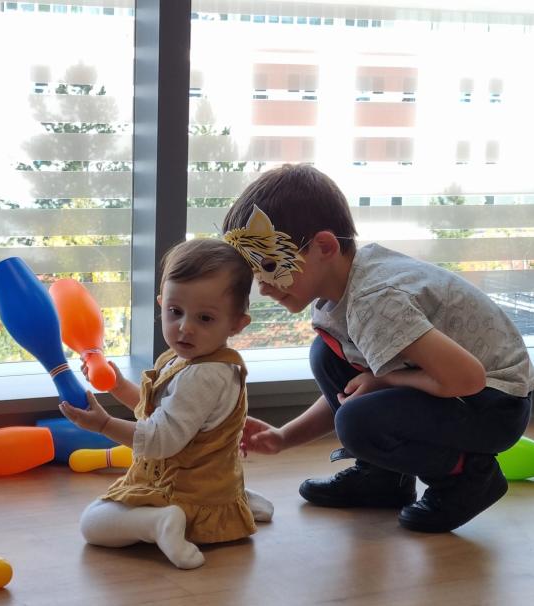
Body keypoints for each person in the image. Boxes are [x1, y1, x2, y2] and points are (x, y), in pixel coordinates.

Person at [222, 163, 534, 533]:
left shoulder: (375, 301)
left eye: (270, 266)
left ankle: (468, 477)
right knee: (326, 355)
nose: (263, 287)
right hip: (464, 391)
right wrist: (283, 437)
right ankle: (383, 479)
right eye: (254, 274)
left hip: (491, 406)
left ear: (324, 246)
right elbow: (351, 390)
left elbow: (467, 379)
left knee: (356, 421)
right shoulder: (343, 293)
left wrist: (385, 382)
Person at [59, 239, 273, 569]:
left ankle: (159, 523)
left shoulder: (202, 376)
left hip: (180, 488)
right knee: (210, 479)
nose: (185, 327)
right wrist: (118, 386)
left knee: (92, 523)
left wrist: (103, 425)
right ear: (161, 304)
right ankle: (234, 502)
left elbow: (159, 441)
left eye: (204, 318)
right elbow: (157, 414)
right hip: (210, 481)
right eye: (175, 312)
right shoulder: (188, 359)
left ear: (236, 324)